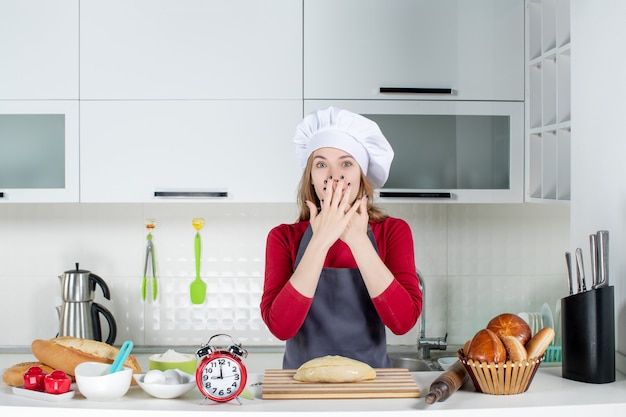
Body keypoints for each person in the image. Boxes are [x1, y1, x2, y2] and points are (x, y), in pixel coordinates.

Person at [260, 107, 422, 369]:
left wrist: (357, 240)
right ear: (311, 178)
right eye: (321, 164)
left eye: (346, 163)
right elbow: (281, 327)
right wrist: (320, 240)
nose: (334, 176)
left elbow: (402, 323)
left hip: (371, 386)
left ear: (362, 176)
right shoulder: (283, 238)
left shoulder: (392, 232)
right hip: (301, 387)